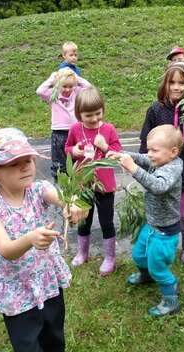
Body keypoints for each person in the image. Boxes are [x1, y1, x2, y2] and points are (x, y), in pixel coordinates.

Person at [0, 127, 88, 352]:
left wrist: (73, 205)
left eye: (28, 160)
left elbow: (61, 199)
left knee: (54, 340)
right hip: (18, 293)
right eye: (14, 163)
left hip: (48, 283)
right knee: (27, 351)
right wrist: (30, 239)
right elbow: (6, 249)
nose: (25, 167)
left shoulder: (38, 190)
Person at [107, 124, 183, 317]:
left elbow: (158, 186)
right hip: (151, 225)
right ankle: (146, 275)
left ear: (173, 152)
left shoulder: (172, 168)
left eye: (154, 150)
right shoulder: (160, 160)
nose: (149, 154)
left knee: (158, 267)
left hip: (165, 232)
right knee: (139, 255)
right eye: (149, 149)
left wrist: (133, 169)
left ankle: (170, 298)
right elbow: (143, 159)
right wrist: (122, 155)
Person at [139, 61, 184, 266]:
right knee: (157, 212)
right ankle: (157, 245)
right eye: (173, 82)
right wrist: (145, 167)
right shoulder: (155, 110)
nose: (177, 87)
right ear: (166, 83)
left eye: (182, 83)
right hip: (159, 174)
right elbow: (145, 140)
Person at [64, 87, 122, 276]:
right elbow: (67, 148)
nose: (95, 118)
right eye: (89, 115)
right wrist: (75, 151)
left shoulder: (108, 129)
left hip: (104, 186)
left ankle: (110, 257)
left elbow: (117, 154)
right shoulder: (75, 129)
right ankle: (82, 252)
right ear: (79, 114)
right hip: (83, 184)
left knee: (106, 221)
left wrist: (104, 147)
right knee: (83, 221)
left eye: (98, 113)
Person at [36, 68, 92, 181]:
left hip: (76, 131)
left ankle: (78, 181)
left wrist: (76, 78)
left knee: (78, 157)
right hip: (59, 132)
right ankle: (59, 182)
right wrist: (52, 78)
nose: (67, 89)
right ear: (58, 85)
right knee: (59, 161)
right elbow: (40, 91)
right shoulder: (53, 94)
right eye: (64, 86)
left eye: (70, 86)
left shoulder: (76, 93)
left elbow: (88, 87)